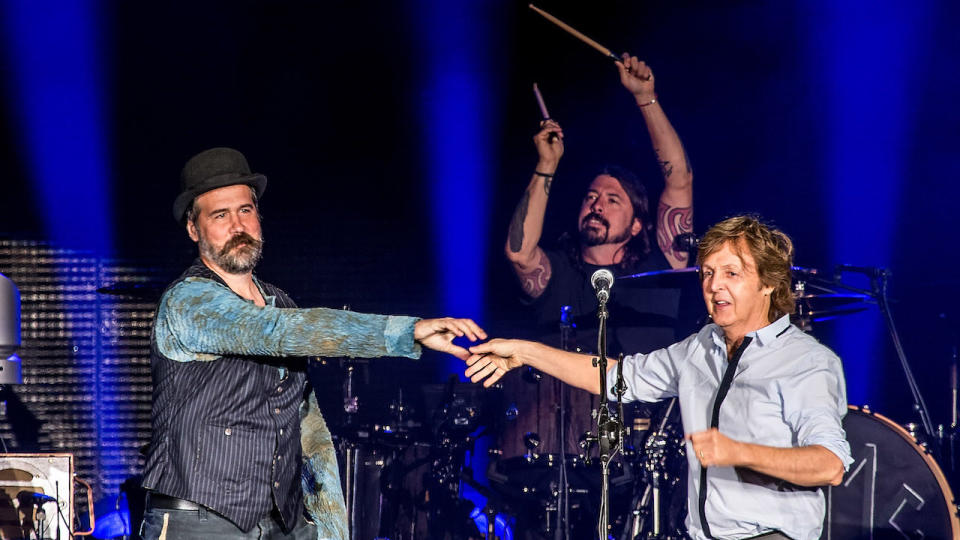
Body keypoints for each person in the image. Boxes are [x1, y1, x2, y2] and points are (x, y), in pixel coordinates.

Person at [140, 147, 486, 540]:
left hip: (281, 523)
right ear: (193, 229)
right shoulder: (188, 301)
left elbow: (309, 430)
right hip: (200, 522)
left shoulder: (281, 303)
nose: (237, 224)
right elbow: (274, 332)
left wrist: (332, 529)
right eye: (220, 215)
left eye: (245, 210)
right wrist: (405, 332)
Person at [469, 216, 852, 540]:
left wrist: (739, 453)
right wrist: (524, 351)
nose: (714, 285)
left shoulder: (806, 361)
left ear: (768, 283)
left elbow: (829, 464)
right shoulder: (702, 347)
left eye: (732, 273)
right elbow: (618, 379)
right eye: (708, 273)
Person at [505, 54, 695, 357]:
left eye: (612, 200)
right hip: (566, 403)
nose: (597, 206)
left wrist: (646, 98)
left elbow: (680, 181)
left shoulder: (661, 267)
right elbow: (519, 252)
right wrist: (547, 163)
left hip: (650, 403)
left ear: (636, 225)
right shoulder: (557, 272)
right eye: (591, 197)